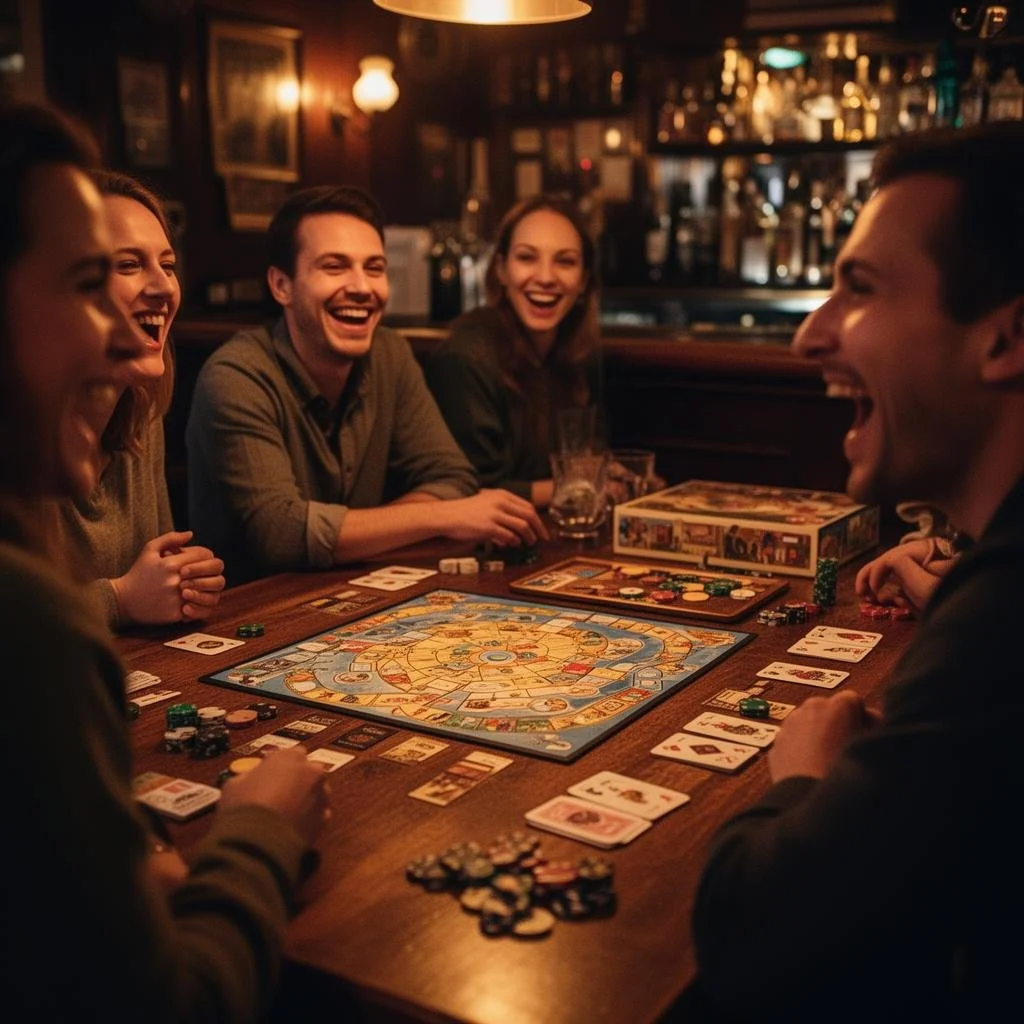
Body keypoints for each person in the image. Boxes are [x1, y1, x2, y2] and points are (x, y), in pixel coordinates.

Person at [683, 123, 1024, 1022]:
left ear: (1009, 336)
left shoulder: (1004, 616)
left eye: (860, 289)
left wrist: (803, 775)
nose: (810, 336)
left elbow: (750, 937)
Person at [0, 101, 331, 1019]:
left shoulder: (137, 417)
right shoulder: (27, 622)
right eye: (86, 283)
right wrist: (259, 830)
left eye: (162, 264)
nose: (124, 330)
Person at [186, 185, 546, 584]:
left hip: (351, 594)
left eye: (374, 268)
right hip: (251, 609)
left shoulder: (389, 353)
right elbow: (281, 534)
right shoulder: (236, 376)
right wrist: (441, 516)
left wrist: (367, 531)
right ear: (281, 286)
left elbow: (453, 478)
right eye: (334, 267)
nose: (362, 287)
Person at [58, 170, 225, 627]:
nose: (164, 287)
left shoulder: (141, 410)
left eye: (167, 266)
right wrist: (120, 599)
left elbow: (159, 571)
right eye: (129, 265)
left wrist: (182, 583)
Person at [424, 194, 603, 508]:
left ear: (584, 280)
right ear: (501, 270)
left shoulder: (579, 356)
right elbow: (468, 491)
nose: (545, 277)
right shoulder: (465, 357)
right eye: (527, 257)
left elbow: (588, 461)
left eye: (565, 261)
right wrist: (585, 485)